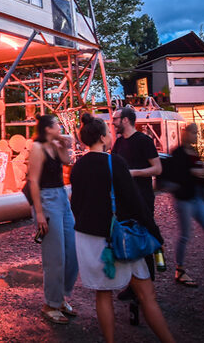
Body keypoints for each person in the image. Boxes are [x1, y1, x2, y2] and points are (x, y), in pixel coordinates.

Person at [70, 113, 174, 343]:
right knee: (147, 295)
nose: (110, 134)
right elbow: (134, 201)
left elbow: (75, 204)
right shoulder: (113, 162)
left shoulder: (77, 167)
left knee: (103, 294)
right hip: (119, 238)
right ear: (101, 137)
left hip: (89, 238)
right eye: (107, 131)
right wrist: (154, 233)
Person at [26, 114, 78, 324]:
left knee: (72, 251)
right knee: (54, 256)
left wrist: (63, 145)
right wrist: (39, 214)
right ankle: (51, 303)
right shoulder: (37, 149)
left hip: (62, 196)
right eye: (57, 124)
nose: (60, 127)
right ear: (48, 128)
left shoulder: (54, 145)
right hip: (47, 199)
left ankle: (61, 297)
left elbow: (67, 162)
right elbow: (33, 182)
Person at [112, 106, 162, 300]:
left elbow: (157, 169)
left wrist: (134, 173)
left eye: (116, 118)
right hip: (123, 200)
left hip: (142, 198)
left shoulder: (144, 140)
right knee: (127, 240)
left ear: (125, 120)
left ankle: (148, 288)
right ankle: (134, 287)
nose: (114, 122)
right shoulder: (118, 144)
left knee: (143, 239)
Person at [168, 123, 204, 287]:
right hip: (185, 199)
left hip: (197, 197)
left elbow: (200, 173)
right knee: (185, 235)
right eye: (194, 133)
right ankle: (180, 269)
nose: (196, 136)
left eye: (197, 133)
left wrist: (200, 174)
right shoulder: (178, 153)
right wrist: (196, 173)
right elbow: (177, 176)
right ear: (186, 133)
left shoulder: (194, 152)